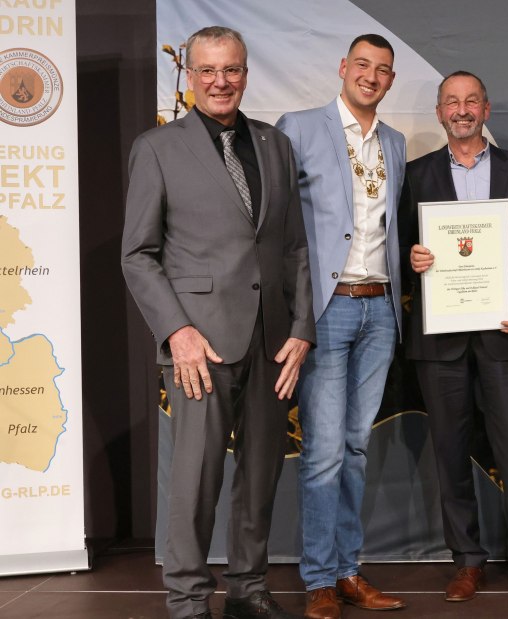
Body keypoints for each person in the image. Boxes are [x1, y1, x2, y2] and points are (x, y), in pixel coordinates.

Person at [120, 26, 313, 619]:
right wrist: (176, 332)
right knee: (196, 480)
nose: (220, 81)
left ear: (245, 73)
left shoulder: (275, 145)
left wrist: (301, 328)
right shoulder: (157, 147)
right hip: (198, 344)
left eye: (231, 69)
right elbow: (138, 254)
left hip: (272, 340)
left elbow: (295, 247)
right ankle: (188, 600)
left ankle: (248, 590)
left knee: (261, 475)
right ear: (191, 77)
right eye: (207, 70)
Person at [397, 71, 508, 604]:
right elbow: (397, 248)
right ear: (439, 113)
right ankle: (467, 560)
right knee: (449, 449)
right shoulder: (415, 175)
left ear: (485, 110)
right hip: (439, 339)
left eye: (471, 101)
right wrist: (412, 257)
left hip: (502, 333)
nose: (461, 110)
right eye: (451, 102)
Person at [275, 34, 407, 618]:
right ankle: (319, 579)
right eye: (362, 65)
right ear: (343, 67)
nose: (371, 76)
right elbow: (278, 223)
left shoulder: (395, 142)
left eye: (382, 69)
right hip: (326, 311)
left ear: (391, 80)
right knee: (325, 451)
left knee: (355, 448)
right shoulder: (300, 128)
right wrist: (293, 311)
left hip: (381, 309)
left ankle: (348, 571)